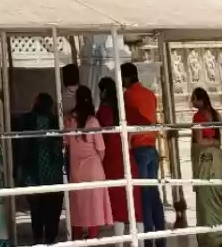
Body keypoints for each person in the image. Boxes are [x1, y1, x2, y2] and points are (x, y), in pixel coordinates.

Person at [121, 64, 165, 238]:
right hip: (152, 146)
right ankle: (161, 236)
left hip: (138, 148)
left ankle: (147, 236)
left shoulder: (127, 96)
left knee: (143, 196)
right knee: (154, 193)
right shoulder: (150, 95)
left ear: (126, 77)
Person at [64, 84, 111, 241]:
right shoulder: (93, 122)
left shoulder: (69, 120)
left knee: (77, 206)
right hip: (93, 168)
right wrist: (97, 163)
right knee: (94, 207)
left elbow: (66, 143)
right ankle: (92, 238)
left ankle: (77, 238)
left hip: (76, 169)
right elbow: (101, 149)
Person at [18, 92, 65, 246]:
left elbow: (21, 146)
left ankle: (38, 239)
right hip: (52, 172)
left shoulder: (26, 120)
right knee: (53, 208)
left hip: (34, 172)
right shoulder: (55, 121)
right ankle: (50, 239)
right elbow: (59, 146)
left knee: (36, 209)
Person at [191, 87, 222, 247]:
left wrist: (210, 142)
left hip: (205, 159)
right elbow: (221, 137)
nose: (192, 102)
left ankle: (210, 237)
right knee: (218, 194)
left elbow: (200, 141)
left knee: (205, 196)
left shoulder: (198, 117)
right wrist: (217, 143)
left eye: (194, 99)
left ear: (201, 100)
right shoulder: (217, 114)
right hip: (218, 158)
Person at [98, 78, 141, 230]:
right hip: (128, 156)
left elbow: (102, 136)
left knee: (117, 206)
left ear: (103, 92)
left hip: (111, 158)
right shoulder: (124, 109)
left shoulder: (104, 110)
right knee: (135, 205)